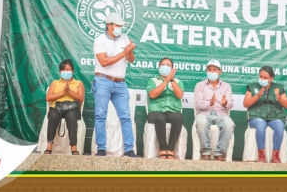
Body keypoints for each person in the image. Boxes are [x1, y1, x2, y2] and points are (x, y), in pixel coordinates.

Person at [92, 13, 137, 157]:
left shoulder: (123, 38)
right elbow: (104, 62)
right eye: (118, 25)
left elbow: (131, 60)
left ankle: (129, 149)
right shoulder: (99, 40)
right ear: (109, 25)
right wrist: (124, 52)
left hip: (120, 83)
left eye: (121, 25)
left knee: (125, 117)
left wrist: (130, 51)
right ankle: (101, 149)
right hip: (103, 81)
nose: (120, 28)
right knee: (100, 116)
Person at [243, 66, 287, 163]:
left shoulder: (279, 88)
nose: (262, 79)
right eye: (261, 77)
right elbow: (246, 104)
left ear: (272, 78)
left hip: (275, 116)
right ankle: (261, 154)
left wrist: (280, 99)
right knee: (261, 124)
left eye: (265, 78)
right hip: (256, 116)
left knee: (279, 124)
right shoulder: (252, 87)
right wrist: (257, 96)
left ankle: (275, 155)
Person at [194, 59, 235, 161]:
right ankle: (205, 152)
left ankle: (220, 153)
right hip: (204, 113)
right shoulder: (199, 85)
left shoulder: (226, 86)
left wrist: (225, 103)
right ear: (206, 71)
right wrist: (209, 103)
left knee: (229, 124)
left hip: (221, 114)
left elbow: (231, 104)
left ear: (220, 72)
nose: (212, 72)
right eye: (209, 70)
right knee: (201, 122)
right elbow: (198, 104)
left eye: (214, 70)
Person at [44, 59, 85, 155]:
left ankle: (74, 146)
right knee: (53, 115)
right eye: (63, 70)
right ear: (60, 72)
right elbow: (48, 98)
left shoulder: (79, 83)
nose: (65, 72)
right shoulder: (54, 83)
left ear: (73, 71)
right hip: (57, 107)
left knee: (71, 116)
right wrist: (62, 92)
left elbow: (81, 98)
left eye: (68, 69)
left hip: (72, 109)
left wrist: (69, 91)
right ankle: (49, 144)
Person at [146, 57, 184, 159]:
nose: (165, 67)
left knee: (178, 117)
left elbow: (179, 95)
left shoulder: (178, 81)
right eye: (163, 64)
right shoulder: (152, 81)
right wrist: (165, 82)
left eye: (168, 65)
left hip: (172, 111)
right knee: (160, 117)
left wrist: (171, 81)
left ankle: (170, 149)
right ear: (159, 67)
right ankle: (163, 149)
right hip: (155, 111)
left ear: (172, 69)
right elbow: (152, 95)